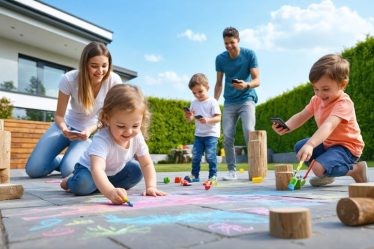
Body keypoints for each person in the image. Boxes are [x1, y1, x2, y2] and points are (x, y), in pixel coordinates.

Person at [25, 41, 122, 178]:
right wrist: (64, 129)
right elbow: (59, 116)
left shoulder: (114, 81)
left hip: (87, 134)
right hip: (64, 128)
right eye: (94, 66)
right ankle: (59, 160)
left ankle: (64, 163)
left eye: (104, 66)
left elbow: (109, 118)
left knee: (68, 171)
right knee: (33, 170)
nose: (100, 71)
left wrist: (89, 131)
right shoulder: (69, 79)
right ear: (85, 65)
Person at [272, 54, 368, 187]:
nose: (319, 94)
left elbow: (328, 126)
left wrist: (311, 145)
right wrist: (287, 126)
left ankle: (356, 170)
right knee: (300, 147)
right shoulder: (316, 100)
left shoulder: (344, 103)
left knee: (316, 167)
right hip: (329, 144)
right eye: (315, 89)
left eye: (325, 89)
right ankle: (326, 173)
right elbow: (302, 115)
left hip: (347, 148)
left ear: (342, 84)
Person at [60, 84, 166, 204]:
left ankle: (102, 185)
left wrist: (151, 187)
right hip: (89, 171)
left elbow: (146, 164)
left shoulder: (137, 136)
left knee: (137, 171)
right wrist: (110, 192)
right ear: (106, 118)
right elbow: (97, 170)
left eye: (135, 126)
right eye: (121, 126)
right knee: (83, 185)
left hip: (112, 172)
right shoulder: (102, 139)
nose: (129, 132)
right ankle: (69, 180)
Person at [214, 27, 260, 181]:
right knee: (227, 136)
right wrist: (214, 102)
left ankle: (254, 169)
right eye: (226, 43)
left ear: (238, 40)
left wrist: (246, 85)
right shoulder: (220, 59)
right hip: (229, 102)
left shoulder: (249, 55)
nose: (229, 46)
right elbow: (219, 84)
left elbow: (257, 80)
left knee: (248, 130)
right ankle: (231, 171)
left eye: (232, 42)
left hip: (247, 98)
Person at [184, 73, 221, 182]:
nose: (197, 95)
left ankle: (213, 176)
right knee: (195, 157)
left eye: (200, 91)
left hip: (211, 135)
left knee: (210, 156)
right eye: (194, 93)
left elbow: (218, 118)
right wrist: (189, 116)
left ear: (207, 88)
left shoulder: (212, 102)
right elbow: (190, 120)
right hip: (199, 135)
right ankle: (195, 176)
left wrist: (207, 120)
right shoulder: (194, 103)